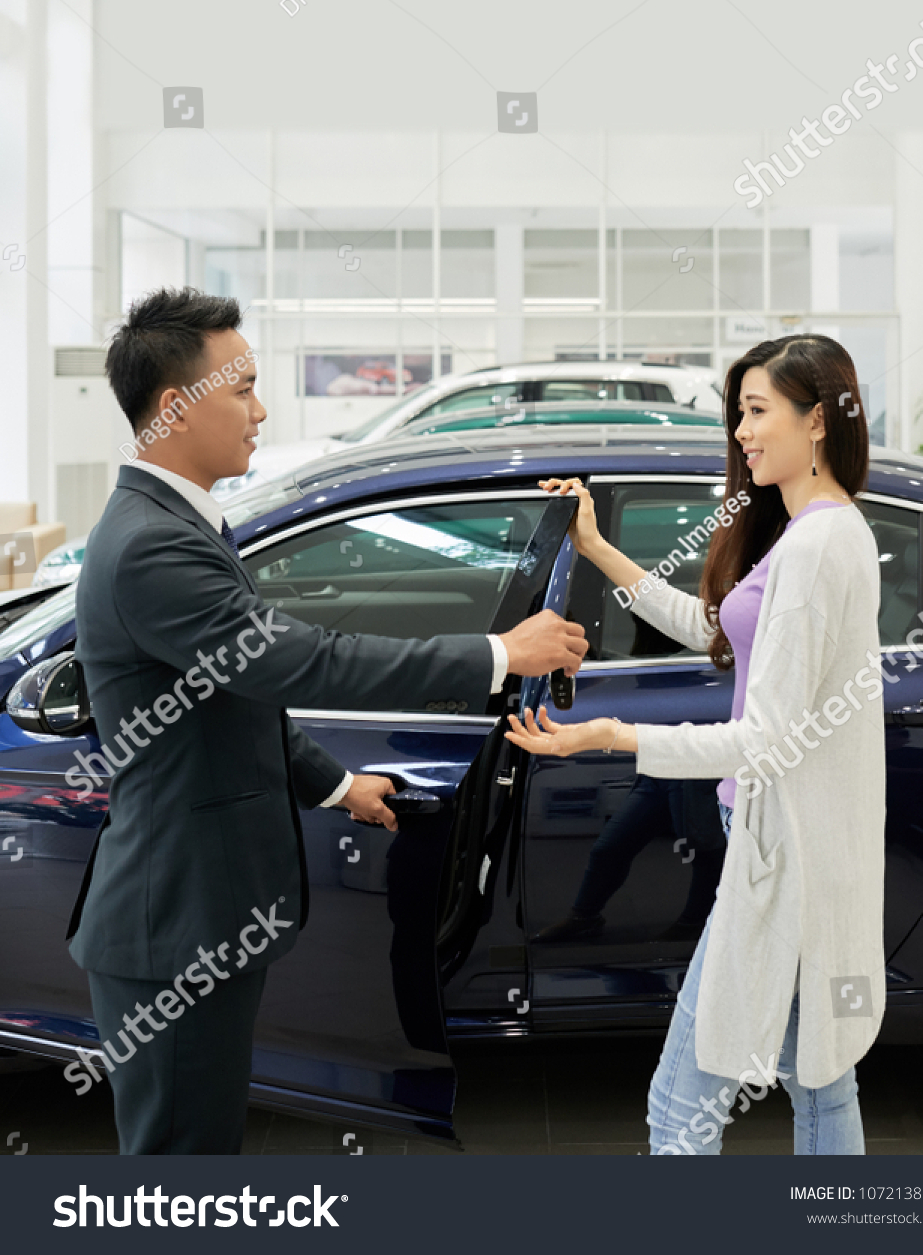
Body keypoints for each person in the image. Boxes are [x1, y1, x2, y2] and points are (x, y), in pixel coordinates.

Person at [67, 288, 587, 1155]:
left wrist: (338, 785)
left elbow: (234, 694)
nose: (260, 410)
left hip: (195, 918)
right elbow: (301, 660)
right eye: (243, 387)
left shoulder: (174, 523)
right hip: (175, 930)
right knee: (178, 1167)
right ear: (175, 407)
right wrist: (498, 654)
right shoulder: (153, 545)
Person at [506, 334, 884, 1156]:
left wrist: (609, 735)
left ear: (816, 420)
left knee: (681, 1104)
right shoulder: (819, 529)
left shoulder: (814, 545)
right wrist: (596, 547)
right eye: (737, 413)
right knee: (821, 1079)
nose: (740, 433)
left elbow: (766, 737)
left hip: (781, 857)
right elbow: (710, 627)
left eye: (756, 411)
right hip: (795, 848)